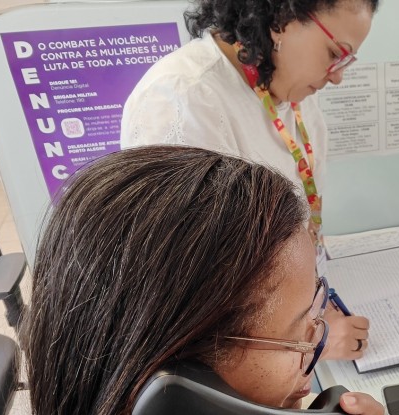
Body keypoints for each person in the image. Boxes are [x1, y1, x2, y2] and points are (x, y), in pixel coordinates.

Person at [20, 146, 388, 415]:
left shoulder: (131, 412)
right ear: (187, 383)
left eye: (317, 311)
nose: (316, 345)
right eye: (301, 334)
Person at [121, 0, 380, 363]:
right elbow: (184, 294)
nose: (337, 76)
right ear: (281, 19)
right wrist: (303, 343)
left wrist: (311, 307)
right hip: (239, 353)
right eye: (335, 53)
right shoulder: (181, 99)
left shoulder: (290, 90)